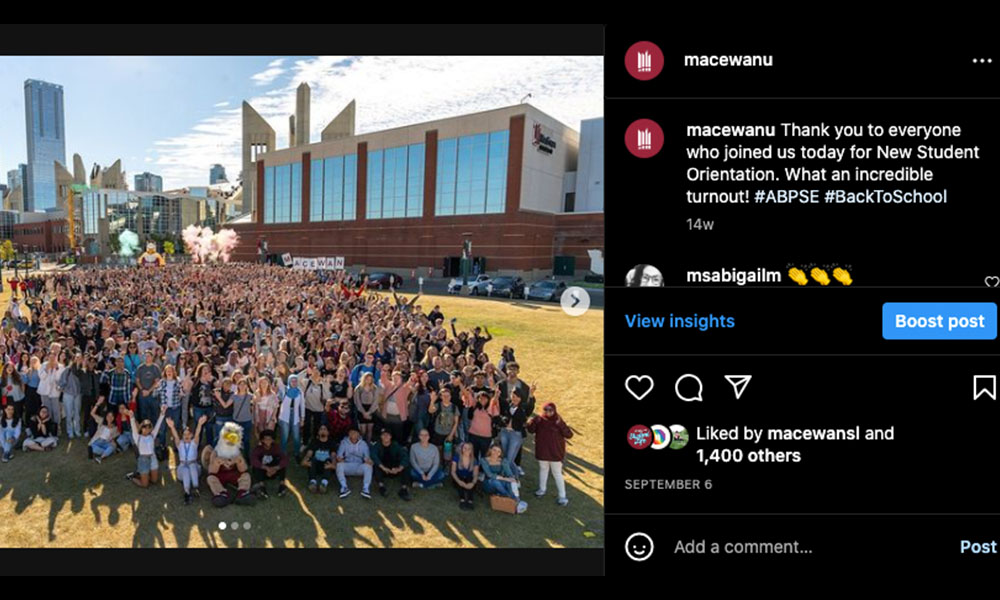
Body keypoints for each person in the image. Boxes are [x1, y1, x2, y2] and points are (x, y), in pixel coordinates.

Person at [526, 402, 573, 507]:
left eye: (550, 410)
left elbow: (569, 435)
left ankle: (562, 496)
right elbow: (530, 430)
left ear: (554, 410)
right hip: (543, 451)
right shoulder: (539, 420)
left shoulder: (559, 421)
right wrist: (532, 422)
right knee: (543, 470)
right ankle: (542, 489)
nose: (548, 412)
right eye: (546, 410)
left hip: (555, 453)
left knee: (557, 474)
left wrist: (561, 424)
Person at [165, 413, 208, 504]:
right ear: (182, 436)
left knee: (192, 466)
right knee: (185, 469)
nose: (186, 436)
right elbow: (176, 436)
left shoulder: (194, 443)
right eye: (184, 435)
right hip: (182, 468)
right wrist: (172, 427)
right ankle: (187, 492)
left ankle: (196, 487)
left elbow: (197, 433)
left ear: (191, 435)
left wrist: (200, 424)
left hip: (194, 468)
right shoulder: (180, 444)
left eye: (188, 434)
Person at [126, 404, 166, 488]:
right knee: (145, 485)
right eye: (144, 426)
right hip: (143, 460)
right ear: (141, 427)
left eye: (149, 427)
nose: (147, 428)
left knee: (154, 481)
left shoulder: (152, 435)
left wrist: (162, 413)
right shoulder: (138, 437)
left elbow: (158, 424)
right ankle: (132, 477)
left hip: (153, 458)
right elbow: (133, 427)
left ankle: (142, 474)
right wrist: (132, 417)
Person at [480, 442, 527, 514]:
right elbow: (490, 475)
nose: (496, 453)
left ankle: (515, 500)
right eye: (494, 450)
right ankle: (514, 500)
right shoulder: (484, 460)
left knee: (510, 482)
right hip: (489, 483)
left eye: (498, 451)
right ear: (490, 450)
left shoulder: (503, 461)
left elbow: (509, 474)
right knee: (495, 482)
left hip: (501, 482)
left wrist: (512, 479)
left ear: (500, 453)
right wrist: (505, 479)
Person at [371, 428, 411, 500]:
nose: (386, 436)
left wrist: (399, 468)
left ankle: (404, 489)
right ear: (381, 436)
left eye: (388, 435)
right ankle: (381, 487)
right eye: (383, 435)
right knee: (376, 465)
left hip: (395, 469)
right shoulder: (377, 445)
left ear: (391, 436)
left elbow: (405, 456)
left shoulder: (396, 445)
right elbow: (374, 456)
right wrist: (383, 468)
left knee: (406, 466)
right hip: (384, 469)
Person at [335, 426, 374, 499]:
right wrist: (340, 459)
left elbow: (367, 457)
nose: (353, 434)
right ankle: (344, 487)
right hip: (347, 465)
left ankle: (366, 489)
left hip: (359, 466)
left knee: (368, 467)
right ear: (348, 434)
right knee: (339, 465)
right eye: (351, 433)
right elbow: (339, 455)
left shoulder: (363, 444)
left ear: (359, 434)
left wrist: (368, 461)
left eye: (355, 433)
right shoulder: (343, 442)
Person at [250, 429, 288, 499]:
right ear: (262, 440)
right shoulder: (258, 449)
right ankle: (261, 486)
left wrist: (276, 468)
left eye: (269, 439)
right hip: (263, 471)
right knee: (256, 467)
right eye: (265, 439)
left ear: (273, 440)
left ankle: (282, 485)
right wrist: (266, 468)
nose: (267, 441)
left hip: (274, 470)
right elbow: (253, 460)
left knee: (282, 465)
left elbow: (284, 459)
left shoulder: (276, 447)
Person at [300, 423, 337, 494]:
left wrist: (333, 465)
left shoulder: (331, 442)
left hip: (326, 466)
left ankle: (324, 484)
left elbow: (333, 456)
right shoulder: (314, 442)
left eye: (325, 429)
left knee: (328, 461)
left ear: (328, 432)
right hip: (316, 465)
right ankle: (312, 482)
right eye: (321, 429)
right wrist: (304, 461)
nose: (323, 431)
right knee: (312, 460)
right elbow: (309, 454)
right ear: (318, 432)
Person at [277, 372, 304, 460]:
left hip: (295, 416)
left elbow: (302, 405)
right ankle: (282, 453)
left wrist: (302, 417)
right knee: (284, 435)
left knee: (296, 436)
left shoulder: (300, 391)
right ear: (289, 381)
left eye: (295, 381)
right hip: (284, 416)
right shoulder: (284, 390)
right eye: (292, 381)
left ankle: (296, 453)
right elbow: (278, 396)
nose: (294, 383)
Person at [88, 398, 122, 464]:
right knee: (93, 448)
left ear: (114, 418)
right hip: (98, 441)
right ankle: (107, 452)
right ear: (106, 416)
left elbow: (117, 434)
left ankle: (101, 457)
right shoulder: (101, 421)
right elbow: (92, 413)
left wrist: (113, 440)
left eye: (112, 416)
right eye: (108, 416)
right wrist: (97, 404)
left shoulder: (115, 427)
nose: (110, 418)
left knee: (112, 447)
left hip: (106, 442)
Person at [58, 352, 84, 439]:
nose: (78, 359)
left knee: (77, 413)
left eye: (80, 358)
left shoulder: (82, 370)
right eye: (77, 357)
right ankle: (70, 431)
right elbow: (61, 381)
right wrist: (62, 388)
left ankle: (77, 430)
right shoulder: (68, 370)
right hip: (68, 394)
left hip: (78, 394)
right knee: (69, 414)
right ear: (73, 359)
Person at [353, 371, 380, 442]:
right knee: (363, 430)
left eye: (370, 379)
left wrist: (369, 412)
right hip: (361, 410)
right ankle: (361, 443)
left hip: (371, 410)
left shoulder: (375, 388)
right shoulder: (358, 388)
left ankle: (368, 444)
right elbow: (357, 401)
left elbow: (375, 401)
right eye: (367, 379)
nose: (368, 381)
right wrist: (363, 412)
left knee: (369, 430)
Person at [450, 441, 479, 510]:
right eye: (464, 448)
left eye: (469, 448)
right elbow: (453, 472)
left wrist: (473, 483)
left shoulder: (474, 460)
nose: (466, 450)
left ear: (471, 450)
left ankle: (470, 501)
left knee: (470, 479)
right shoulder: (456, 457)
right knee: (460, 480)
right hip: (458, 478)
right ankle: (462, 499)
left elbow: (475, 474)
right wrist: (459, 481)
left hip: (468, 478)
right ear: (462, 449)